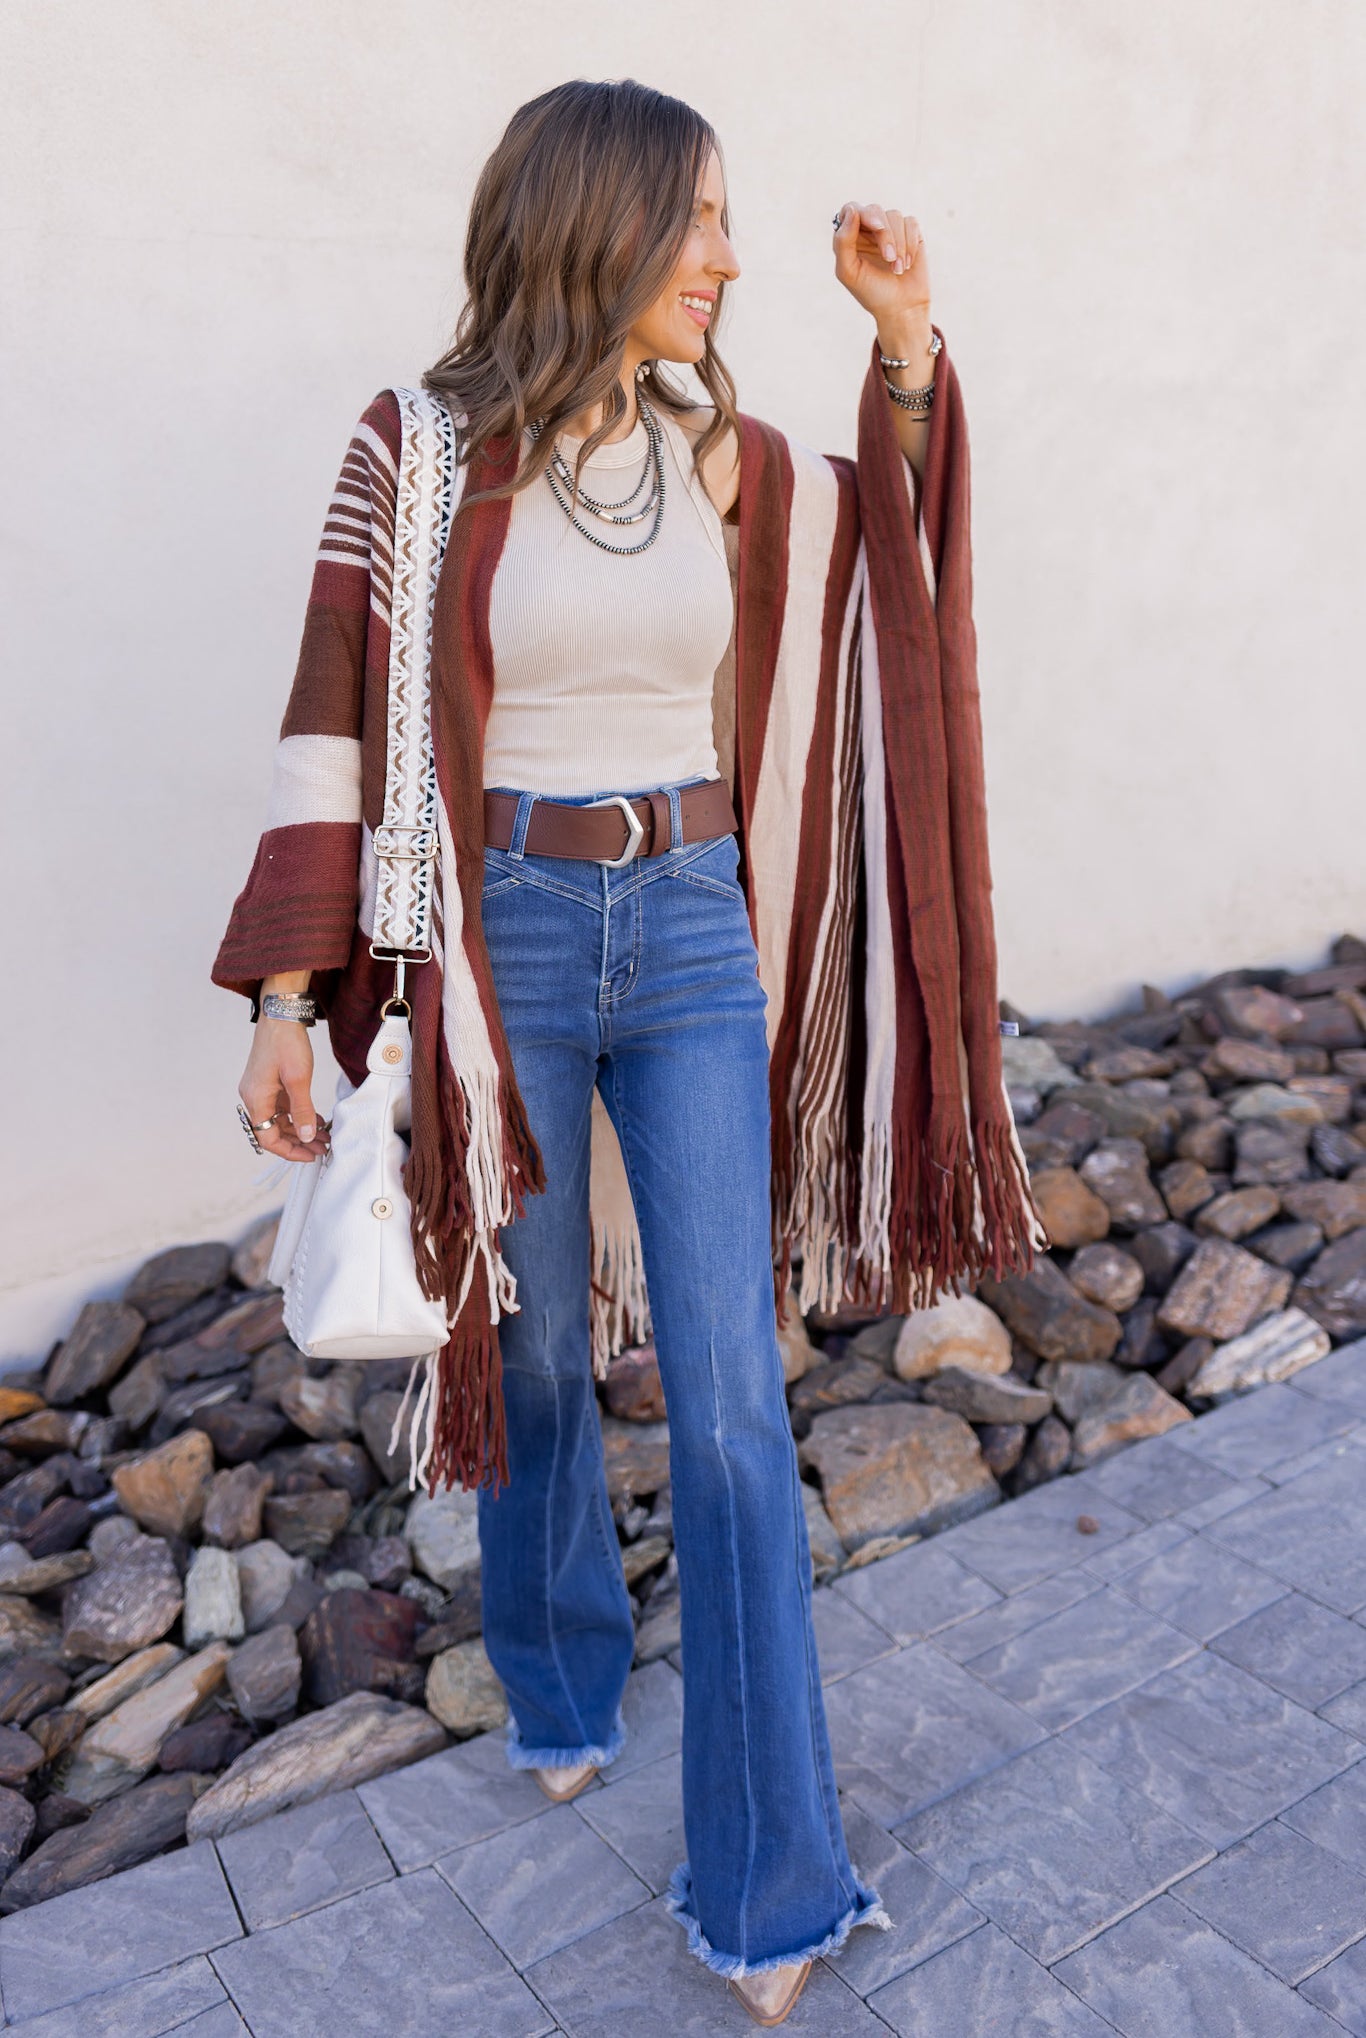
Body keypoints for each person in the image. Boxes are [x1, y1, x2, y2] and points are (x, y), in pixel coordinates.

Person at [213, 77, 1040, 2029]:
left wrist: (906, 358)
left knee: (739, 1417)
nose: (731, 259)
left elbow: (890, 580)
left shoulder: (722, 453)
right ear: (590, 227)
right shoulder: (416, 450)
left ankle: (766, 1879)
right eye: (700, 225)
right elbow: (331, 702)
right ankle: (564, 1661)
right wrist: (281, 995)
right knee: (535, 1350)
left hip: (681, 935)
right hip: (494, 936)